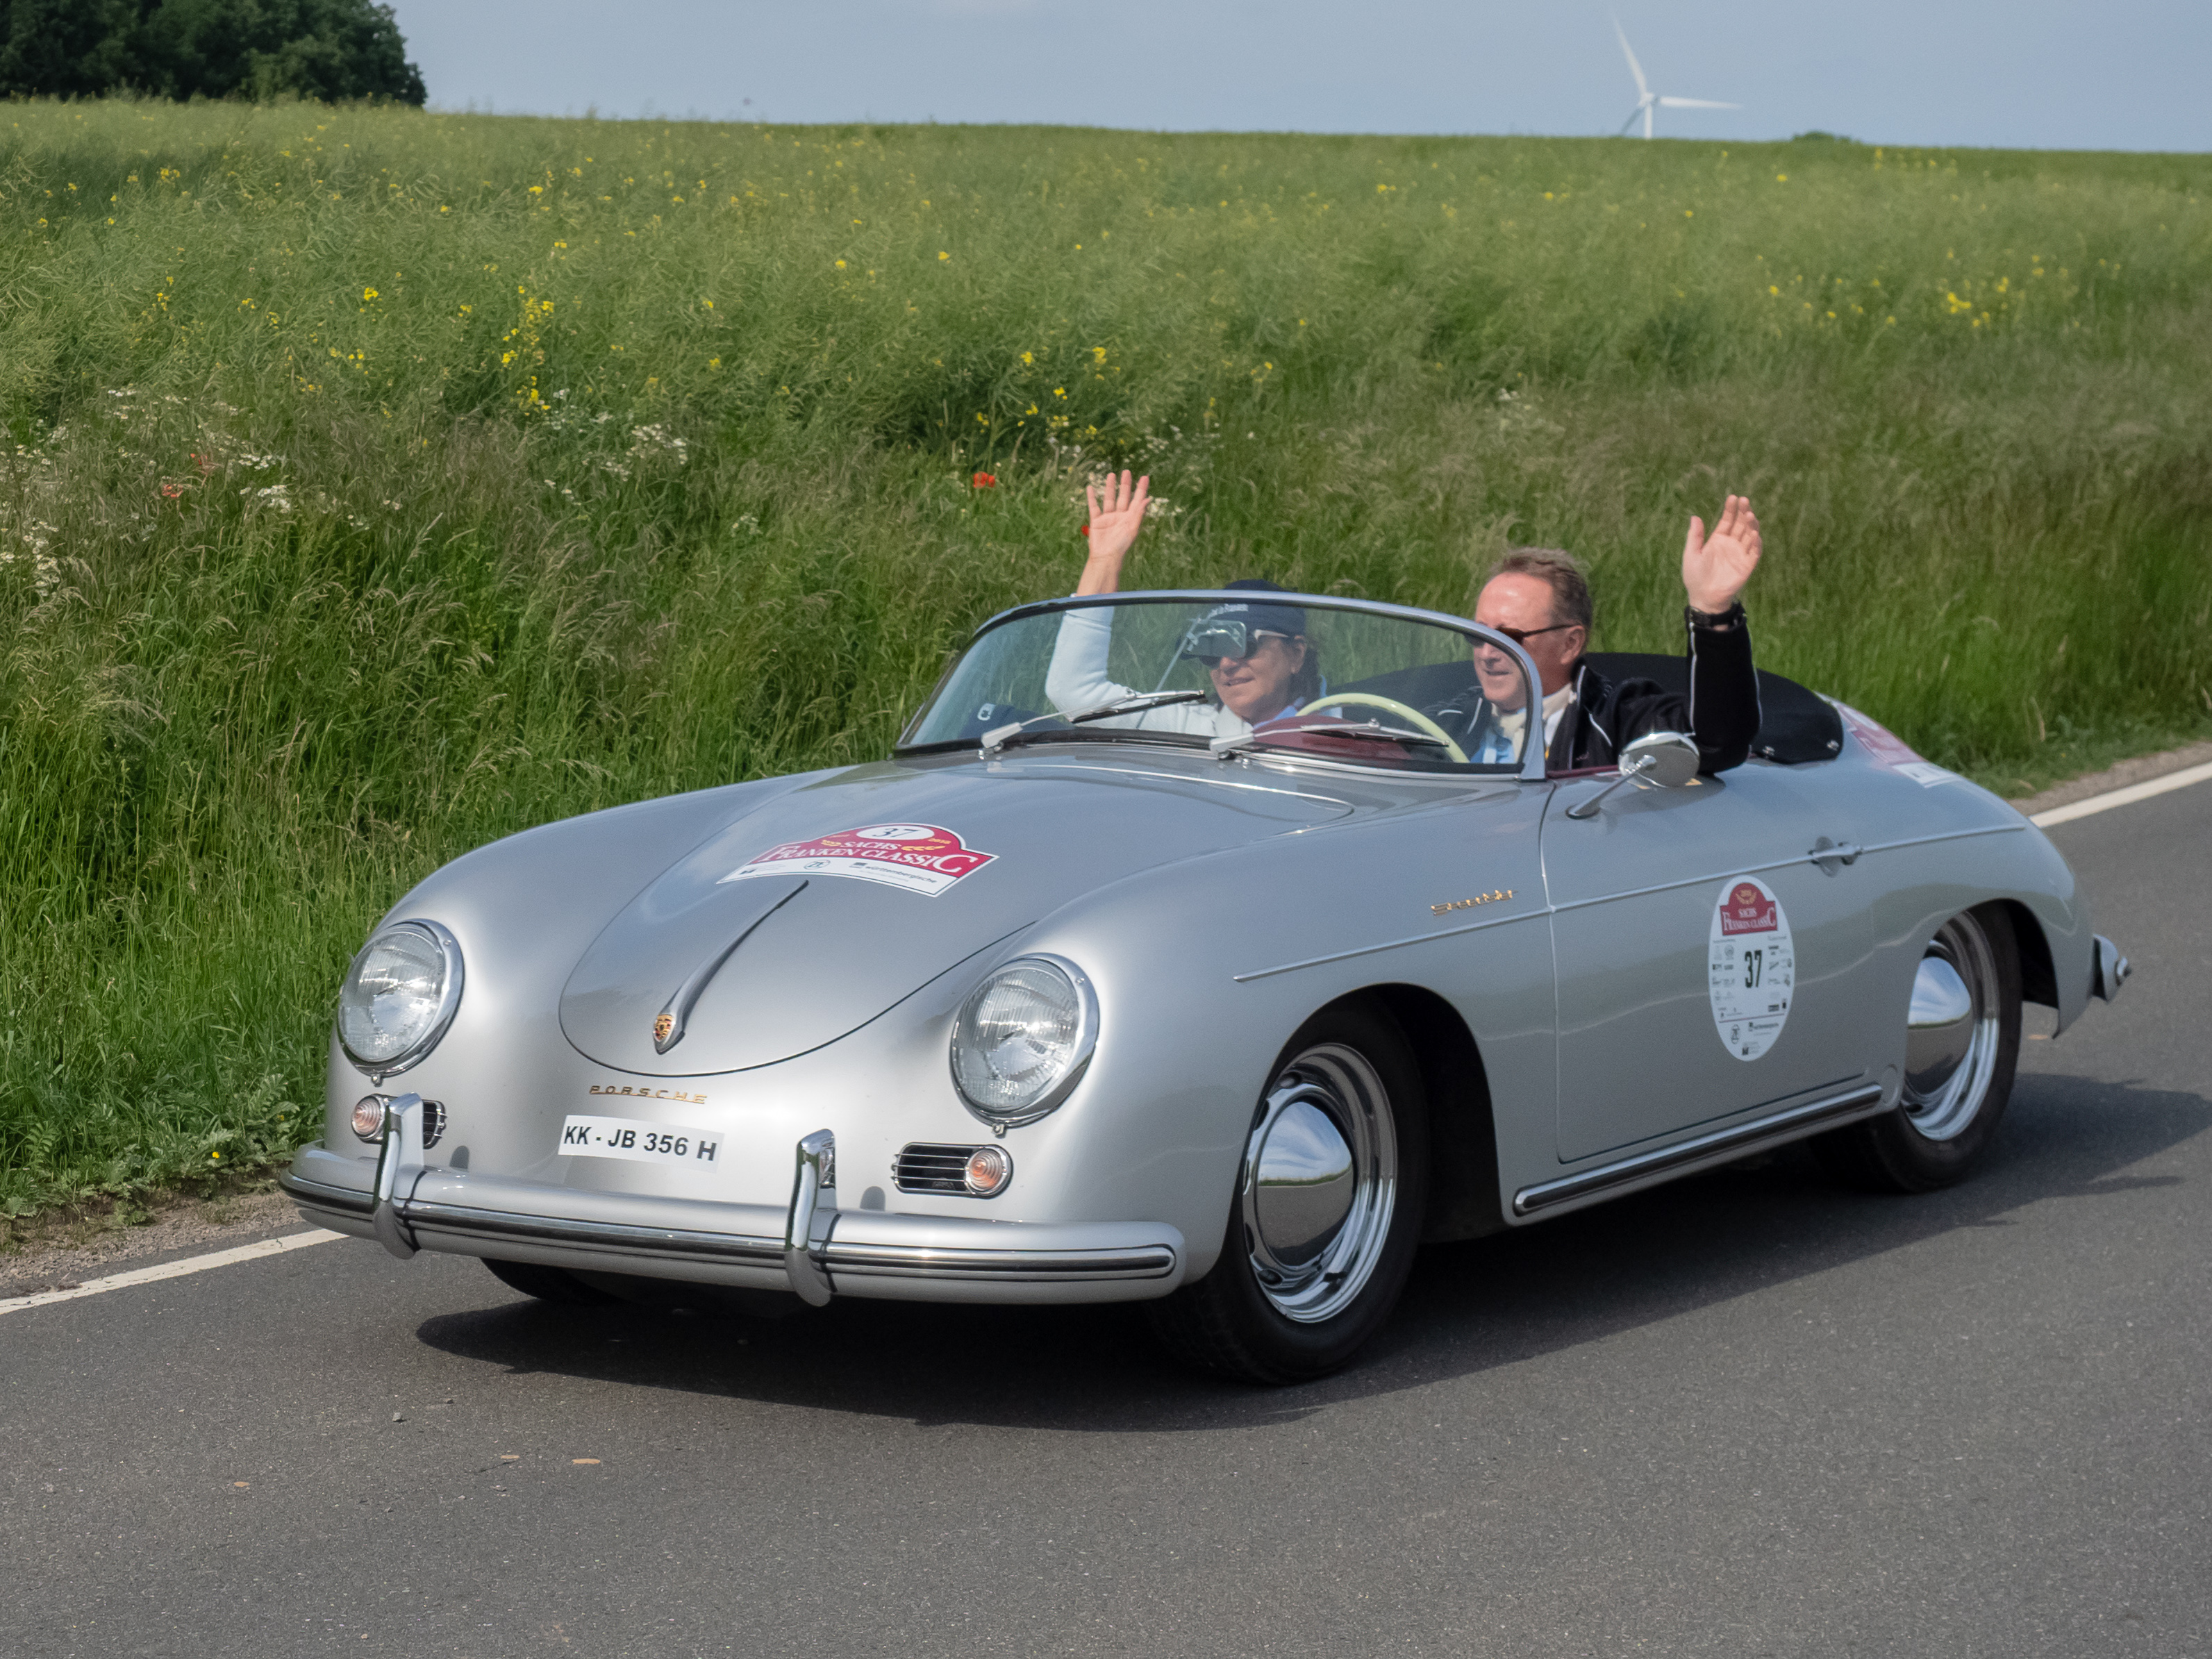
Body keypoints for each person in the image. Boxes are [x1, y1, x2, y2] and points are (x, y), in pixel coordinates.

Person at [1427, 495, 1766, 774]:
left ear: (1570, 644)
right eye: (1477, 634)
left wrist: (1712, 610)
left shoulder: (1616, 721)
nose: (1487, 652)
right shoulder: (1446, 723)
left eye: (1508, 637)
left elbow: (1714, 742)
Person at [1043, 470, 1320, 738]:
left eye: (1243, 643)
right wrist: (1103, 562)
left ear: (1295, 654)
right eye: (1211, 650)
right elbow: (1074, 691)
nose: (1226, 664)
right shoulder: (1192, 728)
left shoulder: (1351, 726)